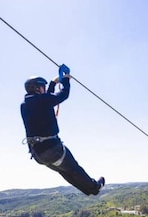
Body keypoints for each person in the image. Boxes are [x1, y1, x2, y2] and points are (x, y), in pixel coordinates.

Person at [20, 65, 105, 196]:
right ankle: (94, 187)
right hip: (51, 149)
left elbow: (47, 99)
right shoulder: (41, 101)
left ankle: (89, 190)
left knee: (65, 171)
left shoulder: (25, 104)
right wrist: (65, 80)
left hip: (38, 154)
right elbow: (63, 95)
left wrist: (53, 83)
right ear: (38, 88)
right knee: (74, 168)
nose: (44, 89)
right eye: (43, 87)